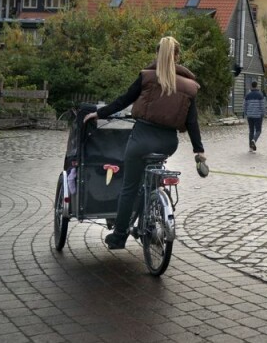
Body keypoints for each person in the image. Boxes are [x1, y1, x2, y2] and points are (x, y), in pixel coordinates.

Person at [83, 36, 207, 250]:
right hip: (168, 142)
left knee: (129, 187)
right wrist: (199, 151)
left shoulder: (148, 77)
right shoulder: (189, 87)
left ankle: (119, 235)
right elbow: (192, 122)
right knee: (152, 177)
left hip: (141, 139)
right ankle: (151, 210)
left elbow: (124, 100)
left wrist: (99, 114)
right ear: (177, 56)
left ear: (157, 54)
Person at [244, 81, 265, 152]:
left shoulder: (247, 95)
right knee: (258, 130)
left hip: (249, 115)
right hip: (258, 116)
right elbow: (262, 106)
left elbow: (244, 105)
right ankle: (254, 140)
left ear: (251, 86)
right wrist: (262, 113)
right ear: (257, 86)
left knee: (251, 131)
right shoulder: (260, 95)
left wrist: (246, 112)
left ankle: (250, 148)